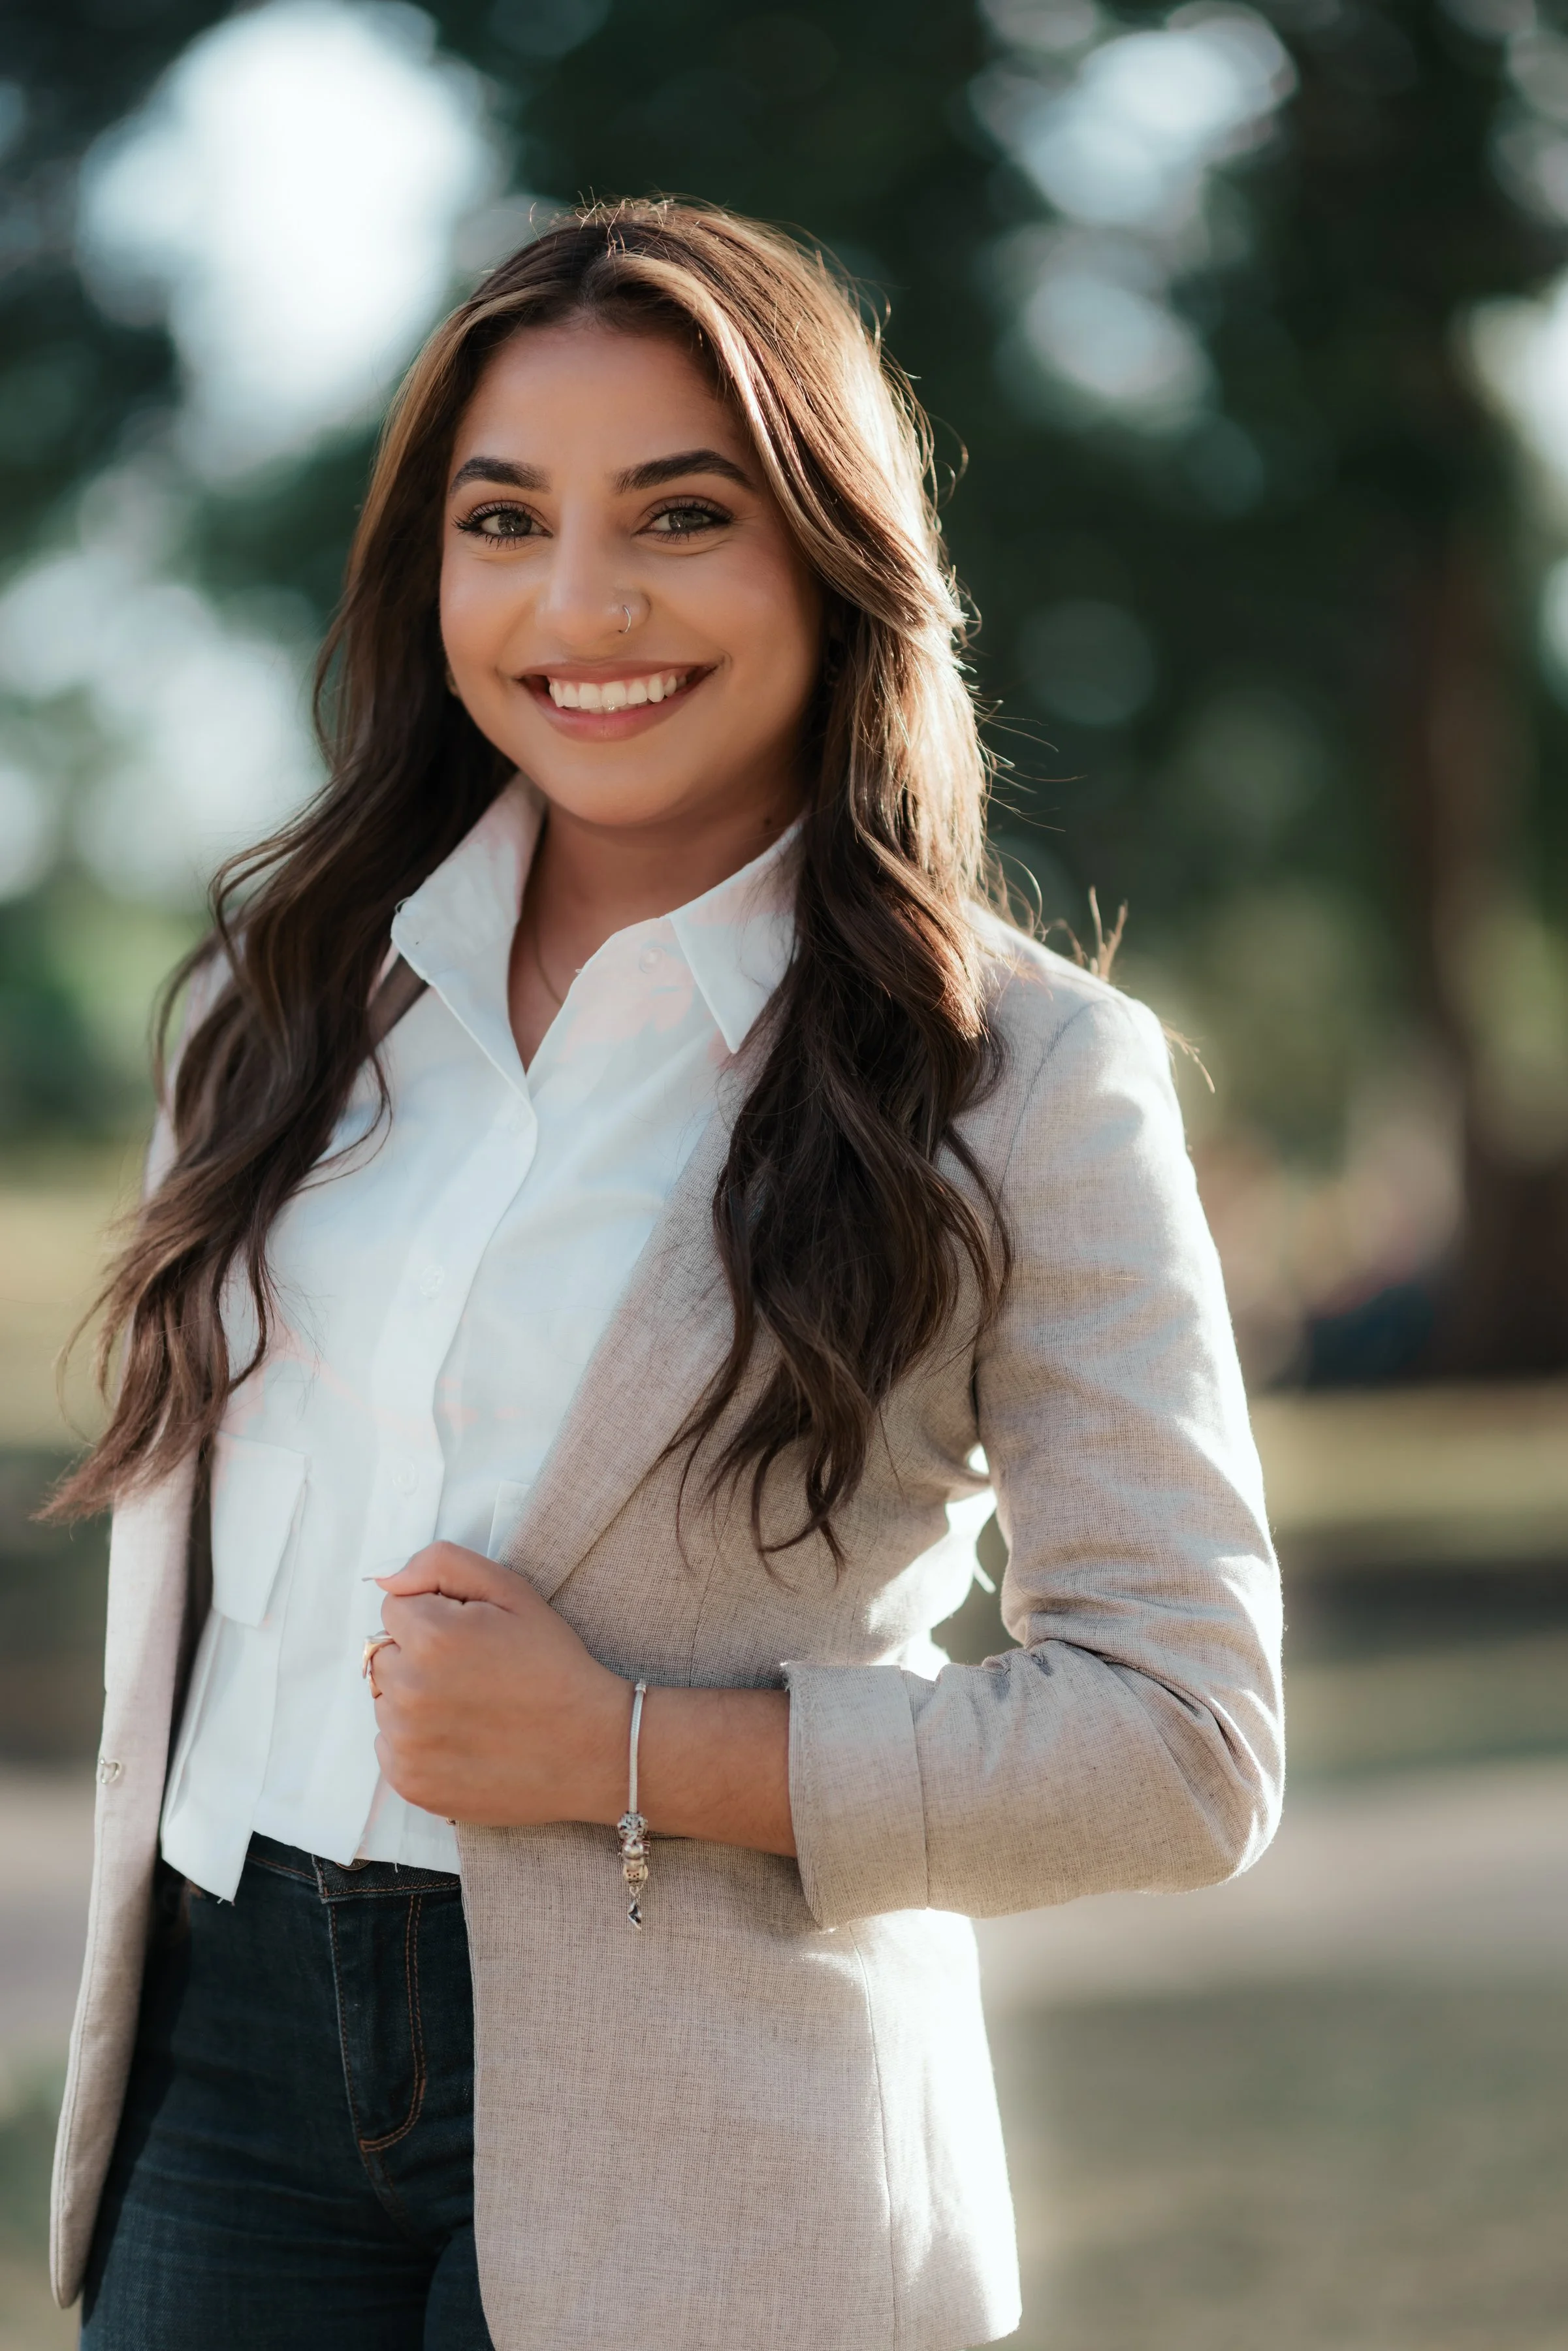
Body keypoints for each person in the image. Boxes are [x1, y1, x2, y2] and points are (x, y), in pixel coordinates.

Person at [50, 200, 1284, 2351]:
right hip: (216, 2060)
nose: (579, 604)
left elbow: (1186, 1740)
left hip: (711, 2114)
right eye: (502, 520)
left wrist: (628, 1746)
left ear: (831, 553)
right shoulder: (271, 1001)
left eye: (681, 515)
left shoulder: (1023, 1083)